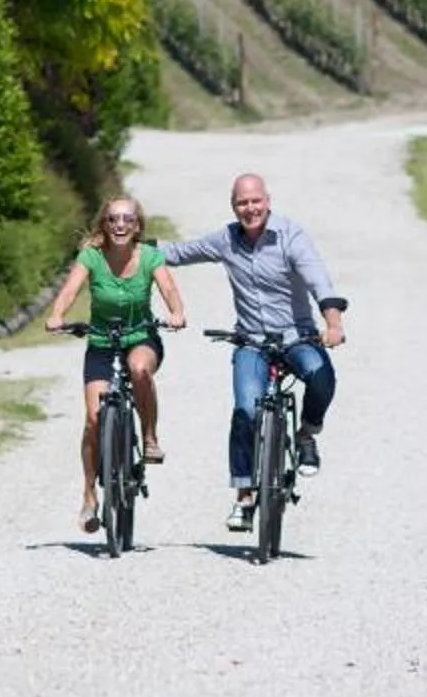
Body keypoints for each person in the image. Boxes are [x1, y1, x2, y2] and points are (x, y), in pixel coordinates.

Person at [158, 173, 348, 533]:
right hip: (251, 341)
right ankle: (244, 497)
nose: (250, 209)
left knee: (321, 377)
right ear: (234, 207)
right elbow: (179, 253)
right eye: (242, 203)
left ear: (268, 201)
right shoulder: (226, 240)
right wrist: (126, 243)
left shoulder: (292, 236)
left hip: (297, 336)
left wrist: (333, 324)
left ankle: (307, 435)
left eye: (255, 201)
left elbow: (319, 281)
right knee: (246, 409)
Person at [41, 196, 186, 535]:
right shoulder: (91, 256)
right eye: (113, 219)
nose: (120, 225)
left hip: (140, 337)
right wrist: (57, 315)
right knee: (93, 419)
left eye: (127, 219)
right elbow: (69, 290)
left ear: (137, 226)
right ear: (104, 225)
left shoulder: (150, 256)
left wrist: (176, 312)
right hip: (102, 343)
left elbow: (169, 287)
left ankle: (149, 437)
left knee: (138, 370)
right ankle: (90, 494)